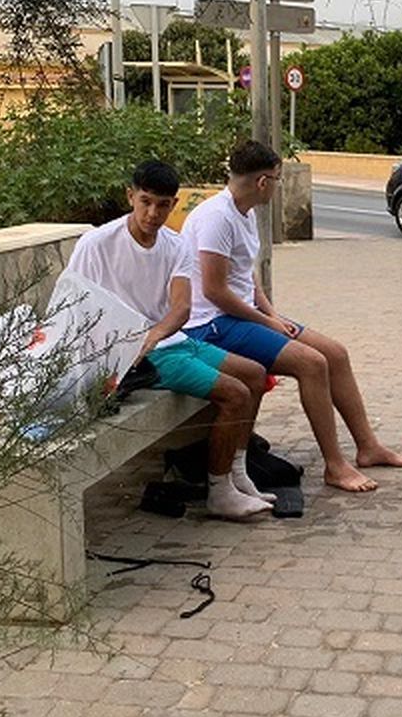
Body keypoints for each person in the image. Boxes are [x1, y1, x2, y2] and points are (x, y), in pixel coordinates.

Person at [182, 140, 402, 493]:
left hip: (241, 316)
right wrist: (267, 323)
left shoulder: (243, 213)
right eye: (276, 179)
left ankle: (368, 447)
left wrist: (271, 312)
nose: (277, 186)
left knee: (334, 353)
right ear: (262, 182)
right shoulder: (216, 217)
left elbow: (245, 275)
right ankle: (335, 465)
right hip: (210, 325)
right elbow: (214, 291)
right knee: (312, 363)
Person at [64, 160, 274, 520]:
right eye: (145, 201)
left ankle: (238, 473)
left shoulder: (175, 245)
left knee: (255, 375)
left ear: (174, 205)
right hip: (135, 356)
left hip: (169, 342)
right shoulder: (96, 244)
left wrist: (155, 335)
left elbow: (180, 309)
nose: (152, 213)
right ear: (130, 196)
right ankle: (219, 491)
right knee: (235, 393)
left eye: (163, 205)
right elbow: (72, 305)